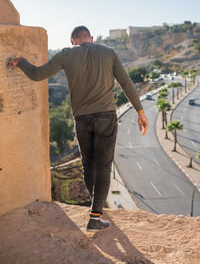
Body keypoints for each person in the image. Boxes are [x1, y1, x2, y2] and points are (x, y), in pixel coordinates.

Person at [7, 26, 149, 232]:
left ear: (73, 40)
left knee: (88, 165)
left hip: (82, 119)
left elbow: (37, 75)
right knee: (104, 166)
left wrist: (20, 61)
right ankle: (95, 215)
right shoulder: (109, 53)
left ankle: (96, 208)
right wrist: (140, 112)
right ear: (90, 38)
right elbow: (126, 82)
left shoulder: (66, 54)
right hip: (106, 117)